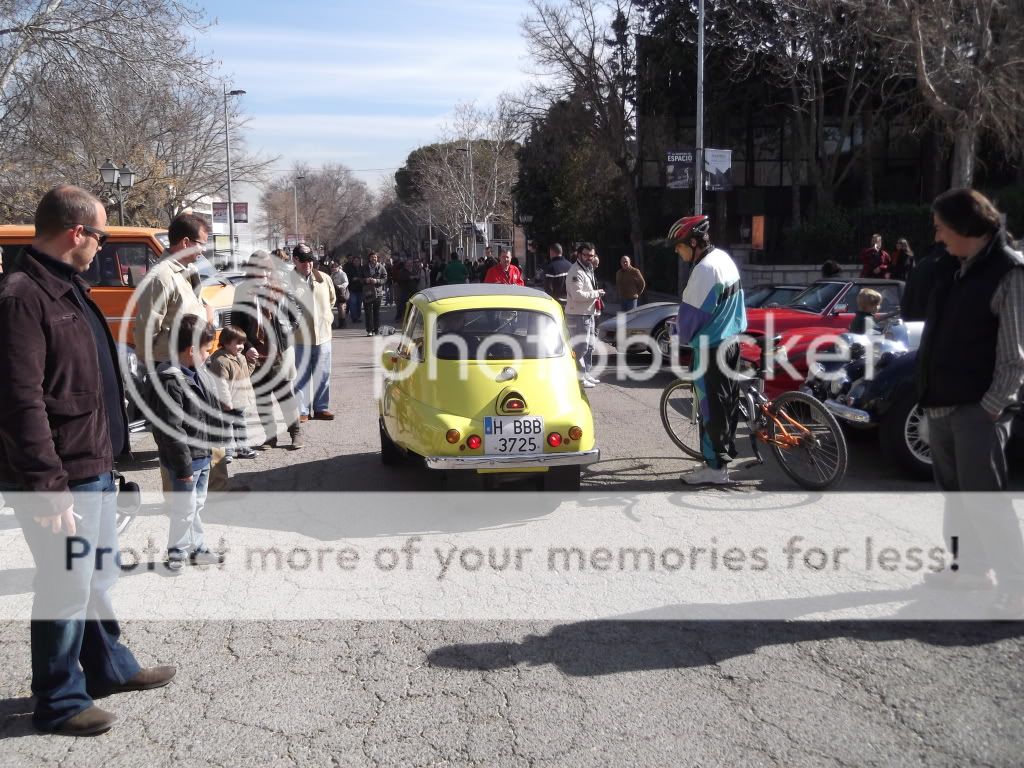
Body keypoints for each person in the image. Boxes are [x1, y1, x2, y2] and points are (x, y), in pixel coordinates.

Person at [0, 185, 174, 736]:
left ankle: (109, 668)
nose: (101, 245)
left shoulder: (68, 288)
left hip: (91, 462)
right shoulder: (22, 296)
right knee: (65, 582)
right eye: (99, 234)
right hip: (61, 476)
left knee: (92, 575)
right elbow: (18, 400)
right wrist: (47, 486)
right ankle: (58, 701)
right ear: (77, 232)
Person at [916, 188, 1024, 615]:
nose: (938, 237)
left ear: (965, 226)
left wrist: (992, 407)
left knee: (984, 501)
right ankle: (970, 569)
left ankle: (1017, 585)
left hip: (977, 407)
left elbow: (1015, 353)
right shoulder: (956, 269)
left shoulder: (1009, 272)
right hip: (943, 402)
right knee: (957, 497)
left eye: (942, 228)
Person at [668, 214, 747, 485]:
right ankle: (721, 461)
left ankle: (714, 469)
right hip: (732, 341)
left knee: (710, 408)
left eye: (679, 246)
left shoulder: (703, 270)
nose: (678, 252)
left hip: (711, 348)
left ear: (693, 242)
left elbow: (689, 320)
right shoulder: (723, 259)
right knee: (727, 404)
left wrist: (674, 332)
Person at [147, 314, 226, 572]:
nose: (209, 355)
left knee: (195, 505)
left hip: (202, 455)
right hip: (185, 462)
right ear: (191, 350)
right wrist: (183, 469)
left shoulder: (198, 373)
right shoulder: (171, 381)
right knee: (184, 508)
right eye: (206, 350)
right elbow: (172, 429)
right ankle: (177, 551)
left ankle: (197, 548)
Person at [232, 251, 304, 450]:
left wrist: (286, 333)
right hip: (255, 352)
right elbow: (236, 323)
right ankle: (270, 436)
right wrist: (246, 347)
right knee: (262, 397)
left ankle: (296, 433)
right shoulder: (242, 291)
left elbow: (296, 314)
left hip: (278, 351)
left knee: (284, 394)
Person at [132, 212, 211, 365]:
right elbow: (147, 330)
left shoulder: (189, 270)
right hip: (169, 366)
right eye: (202, 243)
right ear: (186, 243)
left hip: (190, 363)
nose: (204, 249)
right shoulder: (161, 277)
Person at [291, 244, 336, 421]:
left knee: (323, 372)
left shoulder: (324, 278)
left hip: (323, 334)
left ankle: (320, 408)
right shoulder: (288, 280)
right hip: (300, 336)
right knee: (301, 374)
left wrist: (325, 317)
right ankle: (302, 411)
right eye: (303, 260)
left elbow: (332, 299)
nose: (308, 264)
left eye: (310, 260)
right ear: (294, 260)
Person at [207, 325, 257, 460]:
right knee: (227, 427)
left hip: (240, 399)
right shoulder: (220, 360)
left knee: (240, 424)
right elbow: (221, 384)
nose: (242, 346)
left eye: (243, 343)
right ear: (227, 342)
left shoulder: (240, 357)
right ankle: (227, 452)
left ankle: (242, 448)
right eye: (238, 343)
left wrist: (251, 361)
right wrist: (226, 401)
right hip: (227, 402)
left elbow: (245, 375)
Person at [566, 242, 605, 388]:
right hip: (578, 314)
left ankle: (586, 373)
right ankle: (579, 378)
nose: (589, 258)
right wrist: (597, 293)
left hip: (588, 313)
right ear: (579, 255)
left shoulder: (587, 269)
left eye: (591, 255)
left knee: (589, 346)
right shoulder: (576, 272)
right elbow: (577, 295)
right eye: (586, 255)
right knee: (580, 347)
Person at [359, 251, 388, 335]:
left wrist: (377, 281)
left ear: (377, 258)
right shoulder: (363, 267)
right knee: (368, 311)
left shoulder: (381, 267)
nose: (374, 258)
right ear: (369, 258)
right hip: (367, 292)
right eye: (372, 257)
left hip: (378, 292)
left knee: (376, 311)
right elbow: (360, 278)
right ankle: (369, 330)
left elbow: (385, 279)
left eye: (375, 257)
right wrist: (365, 280)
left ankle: (376, 329)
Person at [543, 243, 572, 310]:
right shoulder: (570, 266)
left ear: (551, 252)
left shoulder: (551, 267)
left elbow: (548, 289)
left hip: (557, 304)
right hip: (571, 303)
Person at [328, 261, 349, 328]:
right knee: (336, 308)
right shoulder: (332, 274)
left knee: (341, 308)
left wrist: (340, 286)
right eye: (332, 267)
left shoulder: (342, 273)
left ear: (339, 266)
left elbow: (346, 282)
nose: (334, 268)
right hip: (334, 292)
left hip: (341, 292)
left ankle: (342, 323)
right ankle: (335, 323)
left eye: (335, 266)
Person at [344, 255, 363, 322]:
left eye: (358, 261)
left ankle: (358, 316)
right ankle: (354, 317)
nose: (356, 262)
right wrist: (352, 279)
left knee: (359, 304)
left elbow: (364, 277)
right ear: (353, 262)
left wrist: (361, 279)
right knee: (353, 303)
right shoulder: (349, 268)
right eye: (355, 261)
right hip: (352, 289)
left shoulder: (362, 268)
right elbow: (346, 278)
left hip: (360, 289)